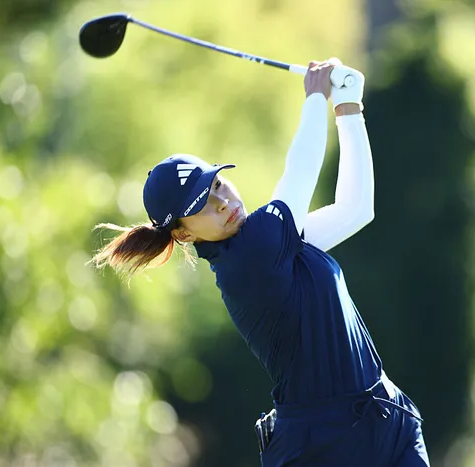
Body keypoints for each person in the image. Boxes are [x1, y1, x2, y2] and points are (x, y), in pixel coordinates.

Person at [91, 58, 430, 467]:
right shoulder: (249, 258)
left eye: (218, 183)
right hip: (325, 447)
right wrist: (316, 96)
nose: (223, 202)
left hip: (387, 417)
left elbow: (355, 210)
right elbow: (299, 174)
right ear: (184, 234)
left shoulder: (272, 244)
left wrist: (348, 109)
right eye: (202, 205)